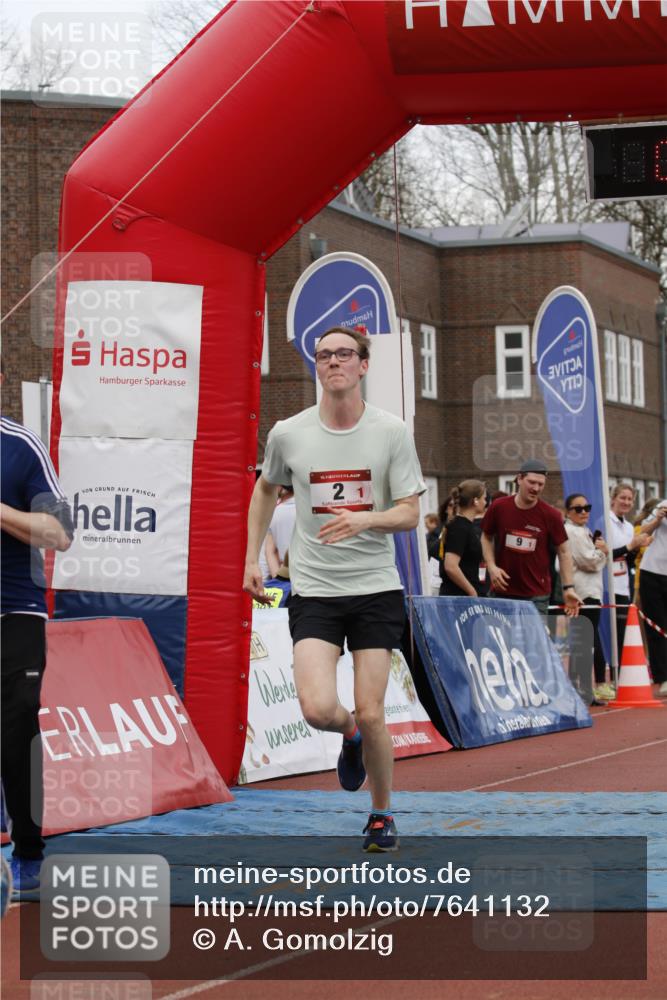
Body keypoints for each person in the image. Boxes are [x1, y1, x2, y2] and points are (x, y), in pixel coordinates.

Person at [243, 326, 425, 852]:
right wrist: (252, 558)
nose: (333, 362)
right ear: (316, 367)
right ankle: (348, 739)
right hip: (315, 590)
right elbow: (264, 490)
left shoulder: (391, 432)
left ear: (363, 365)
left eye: (344, 354)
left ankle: (382, 815)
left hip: (373, 589)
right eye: (323, 356)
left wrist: (365, 520)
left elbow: (411, 513)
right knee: (319, 709)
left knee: (372, 710)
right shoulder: (289, 433)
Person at [1, 411, 73, 897]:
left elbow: (60, 533)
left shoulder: (19, 445)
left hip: (13, 610)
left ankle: (28, 851)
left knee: (17, 721)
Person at [480, 459, 582, 617]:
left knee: (532, 642)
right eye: (532, 482)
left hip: (536, 595)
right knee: (501, 642)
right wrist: (492, 567)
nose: (536, 488)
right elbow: (486, 537)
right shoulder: (499, 507)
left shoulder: (551, 515)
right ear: (519, 479)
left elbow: (564, 552)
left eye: (541, 484)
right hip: (502, 591)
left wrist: (568, 588)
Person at [564, 493, 612, 703]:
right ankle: (583, 690)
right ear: (568, 512)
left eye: (587, 507)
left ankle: (585, 689)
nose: (584, 512)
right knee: (585, 640)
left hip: (591, 591)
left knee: (587, 640)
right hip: (582, 593)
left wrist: (600, 553)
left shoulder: (583, 530)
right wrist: (604, 552)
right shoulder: (572, 531)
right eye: (578, 509)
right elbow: (589, 561)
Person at [608, 483, 652, 663]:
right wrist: (632, 546)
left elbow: (627, 558)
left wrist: (636, 549)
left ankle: (617, 676)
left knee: (621, 633)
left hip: (623, 585)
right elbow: (606, 554)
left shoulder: (628, 526)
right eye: (622, 498)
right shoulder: (605, 521)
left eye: (629, 499)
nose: (626, 502)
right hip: (606, 585)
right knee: (607, 633)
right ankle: (604, 678)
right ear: (613, 499)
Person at [638, 500, 667, 694]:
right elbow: (644, 532)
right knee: (657, 626)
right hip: (653, 572)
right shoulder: (663, 505)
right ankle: (663, 677)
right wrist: (658, 518)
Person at [440, 479, 487, 597]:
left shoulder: (466, 525)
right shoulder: (459, 527)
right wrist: (472, 592)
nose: (486, 502)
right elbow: (451, 566)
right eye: (484, 498)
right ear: (475, 501)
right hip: (459, 598)